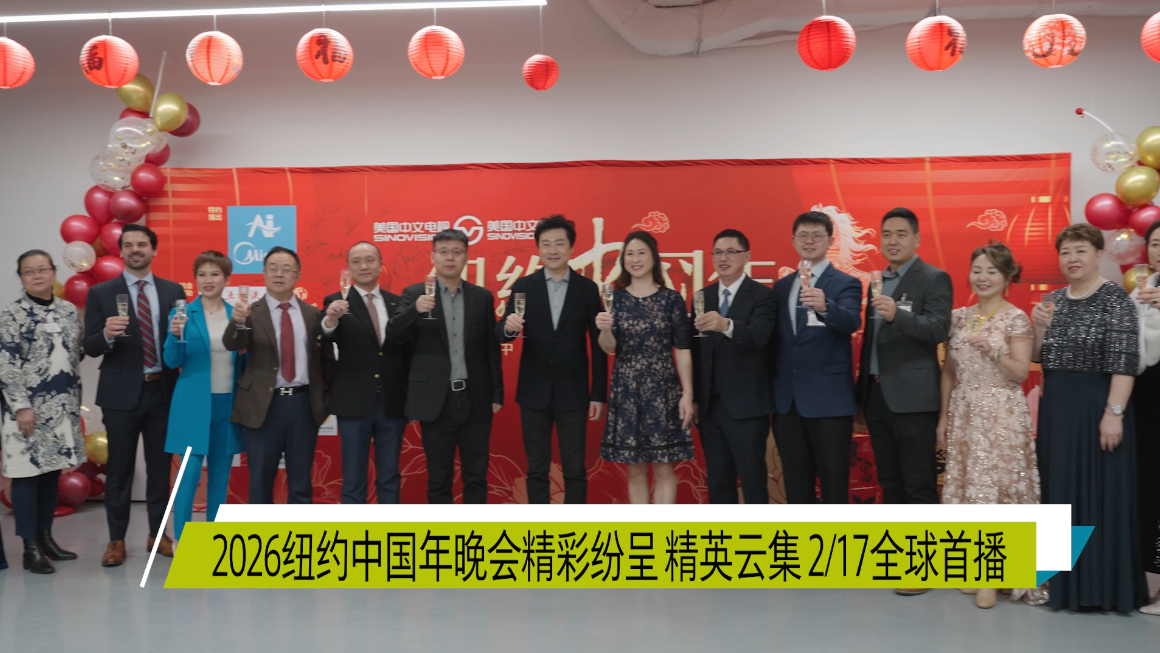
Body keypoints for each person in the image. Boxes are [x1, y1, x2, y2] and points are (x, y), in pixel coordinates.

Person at [1030, 222, 1149, 613]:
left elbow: (1124, 363)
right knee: (1060, 494)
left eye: (1080, 250)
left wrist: (1114, 414)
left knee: (1101, 495)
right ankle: (1062, 586)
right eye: (1065, 252)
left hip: (1098, 406)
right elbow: (1039, 357)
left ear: (1098, 255)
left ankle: (1102, 589)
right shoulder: (1053, 300)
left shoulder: (1116, 300)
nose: (1072, 258)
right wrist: (1038, 328)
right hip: (1057, 410)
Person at [937, 242, 1041, 609]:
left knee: (996, 489)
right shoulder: (958, 317)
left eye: (992, 272)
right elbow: (948, 372)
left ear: (1008, 277)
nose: (983, 278)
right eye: (977, 270)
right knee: (969, 488)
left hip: (1001, 412)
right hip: (965, 411)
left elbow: (1020, 372)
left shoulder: (1016, 319)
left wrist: (994, 351)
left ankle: (994, 575)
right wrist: (944, 416)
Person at [854, 208, 951, 597]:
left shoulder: (933, 277)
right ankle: (898, 561)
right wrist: (862, 394)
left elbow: (939, 328)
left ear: (916, 239)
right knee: (890, 482)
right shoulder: (877, 281)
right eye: (886, 234)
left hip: (914, 400)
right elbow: (871, 343)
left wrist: (899, 316)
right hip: (877, 396)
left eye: (900, 234)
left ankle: (923, 567)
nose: (892, 241)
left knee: (918, 483)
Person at [83, 223, 184, 567]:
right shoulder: (101, 293)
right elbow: (89, 345)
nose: (135, 249)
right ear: (121, 251)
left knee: (159, 470)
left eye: (142, 244)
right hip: (120, 396)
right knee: (119, 471)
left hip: (163, 392)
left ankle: (159, 534)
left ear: (153, 250)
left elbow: (181, 340)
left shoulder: (173, 291)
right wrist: (106, 335)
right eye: (128, 245)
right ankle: (116, 540)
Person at [386, 229, 503, 504]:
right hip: (435, 400)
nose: (450, 258)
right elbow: (393, 335)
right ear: (433, 257)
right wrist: (414, 310)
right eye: (444, 252)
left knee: (476, 477)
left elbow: (491, 348)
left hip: (475, 399)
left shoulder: (482, 297)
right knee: (439, 479)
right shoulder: (415, 293)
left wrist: (496, 393)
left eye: (457, 252)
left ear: (466, 257)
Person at [497, 215, 607, 504]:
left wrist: (598, 393)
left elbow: (598, 344)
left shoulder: (587, 289)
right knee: (536, 470)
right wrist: (508, 327)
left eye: (559, 243)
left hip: (574, 392)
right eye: (546, 244)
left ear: (571, 248)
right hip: (534, 392)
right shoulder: (524, 286)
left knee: (575, 469)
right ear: (538, 248)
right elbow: (502, 332)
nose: (553, 250)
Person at [0, 250, 85, 573]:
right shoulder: (12, 314)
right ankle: (30, 547)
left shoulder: (67, 311)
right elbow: (6, 366)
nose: (37, 276)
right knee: (26, 475)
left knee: (51, 474)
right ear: (21, 278)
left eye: (42, 269)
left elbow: (76, 353)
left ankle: (46, 537)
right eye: (28, 271)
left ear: (53, 272)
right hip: (25, 413)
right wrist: (21, 406)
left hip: (60, 408)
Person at [224, 246, 328, 505]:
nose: (279, 274)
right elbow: (232, 343)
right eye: (273, 269)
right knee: (260, 481)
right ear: (264, 273)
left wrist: (325, 399)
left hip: (303, 406)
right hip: (263, 406)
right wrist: (238, 322)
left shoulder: (312, 314)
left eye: (286, 269)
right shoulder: (250, 312)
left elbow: (325, 361)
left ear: (297, 275)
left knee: (301, 482)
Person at [597, 231, 694, 504]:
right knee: (635, 469)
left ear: (654, 258)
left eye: (641, 252)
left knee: (663, 467)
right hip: (627, 391)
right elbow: (608, 347)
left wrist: (687, 393)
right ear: (622, 260)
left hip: (663, 391)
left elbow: (682, 348)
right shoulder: (614, 299)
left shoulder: (671, 299)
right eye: (629, 254)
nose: (635, 259)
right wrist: (604, 328)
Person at [771, 213, 862, 504]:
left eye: (816, 235)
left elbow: (851, 322)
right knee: (797, 485)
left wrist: (826, 307)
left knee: (834, 484)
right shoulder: (782, 286)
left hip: (829, 401)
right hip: (788, 403)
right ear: (793, 240)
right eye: (803, 235)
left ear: (830, 241)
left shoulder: (846, 283)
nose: (809, 241)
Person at [317, 242, 409, 504]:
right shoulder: (337, 302)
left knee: (389, 475)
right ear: (348, 267)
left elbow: (406, 352)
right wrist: (330, 320)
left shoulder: (397, 302)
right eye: (356, 261)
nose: (364, 266)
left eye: (370, 260)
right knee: (354, 476)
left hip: (392, 402)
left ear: (380, 265)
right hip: (353, 402)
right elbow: (322, 335)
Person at [162, 251, 245, 542]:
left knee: (220, 477)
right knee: (188, 477)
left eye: (214, 274)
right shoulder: (182, 314)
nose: (207, 280)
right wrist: (174, 336)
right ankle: (184, 541)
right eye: (202, 274)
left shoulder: (237, 314)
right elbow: (171, 361)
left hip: (228, 404)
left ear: (226, 279)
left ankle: (213, 542)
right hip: (192, 406)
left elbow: (245, 362)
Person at [691, 228, 776, 505]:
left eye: (730, 252)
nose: (723, 258)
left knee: (753, 482)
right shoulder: (702, 297)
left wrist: (726, 325)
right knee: (718, 483)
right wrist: (694, 398)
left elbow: (759, 336)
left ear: (747, 257)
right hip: (710, 409)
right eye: (717, 252)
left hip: (747, 408)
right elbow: (696, 352)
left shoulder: (763, 296)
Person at [1131, 220, 1160, 615]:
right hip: (1145, 403)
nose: (1159, 250)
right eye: (1154, 244)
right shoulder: (1141, 292)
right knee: (1149, 489)